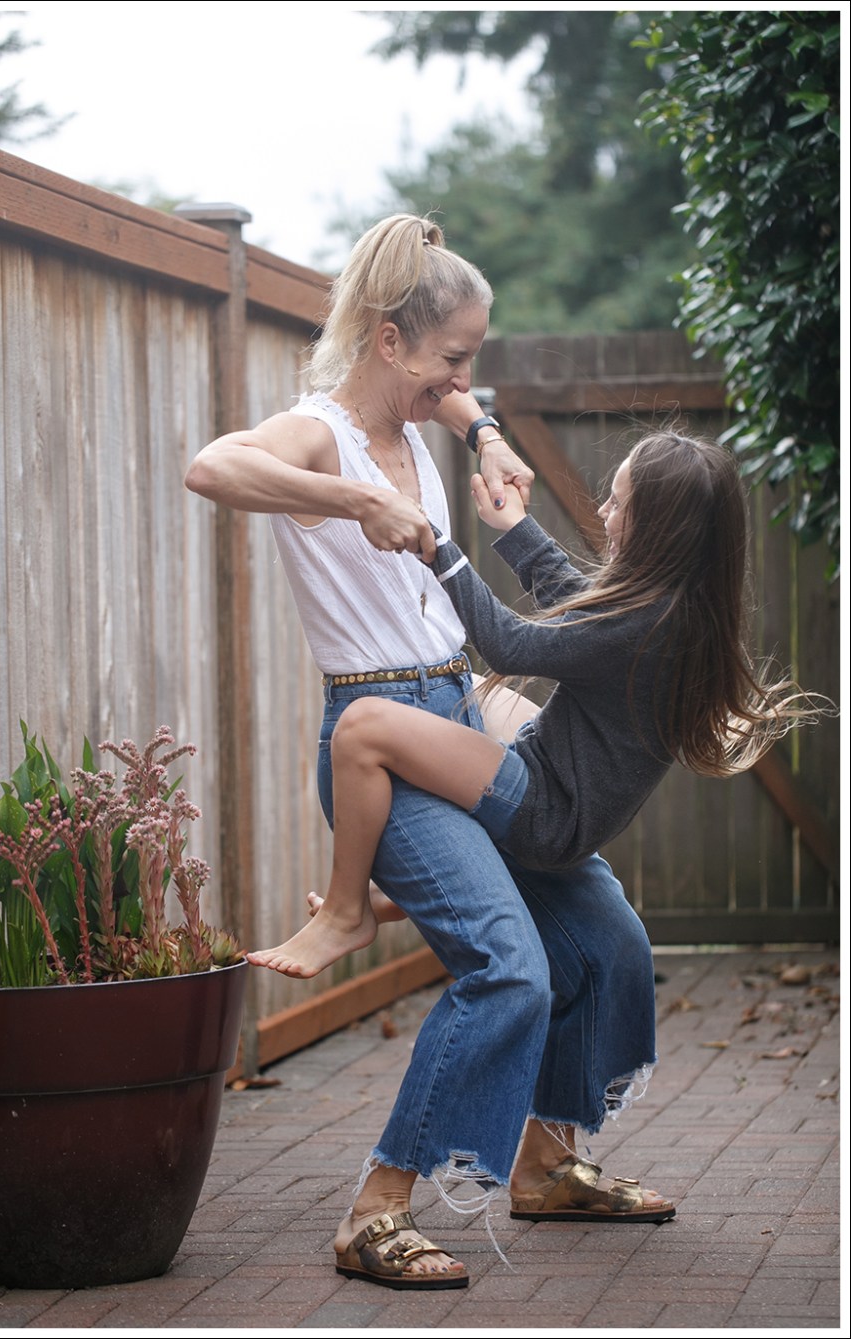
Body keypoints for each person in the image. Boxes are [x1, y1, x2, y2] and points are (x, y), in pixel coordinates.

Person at [185, 214, 675, 1293]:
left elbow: (454, 402)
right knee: (509, 968)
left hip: (456, 713)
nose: (464, 378)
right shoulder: (321, 434)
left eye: (472, 357)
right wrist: (351, 498)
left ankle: (545, 1162)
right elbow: (212, 467)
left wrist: (484, 431)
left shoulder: (422, 418)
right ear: (387, 340)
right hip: (378, 745)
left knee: (609, 936)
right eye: (453, 356)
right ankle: (375, 1210)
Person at [246, 430, 820, 982]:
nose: (603, 511)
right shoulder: (675, 607)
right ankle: (403, 890)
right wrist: (516, 528)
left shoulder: (648, 625)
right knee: (458, 688)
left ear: (658, 529)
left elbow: (512, 645)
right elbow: (577, 603)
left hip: (548, 812)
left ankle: (347, 910)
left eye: (618, 503)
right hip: (562, 796)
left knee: (362, 725)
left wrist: (438, 548)